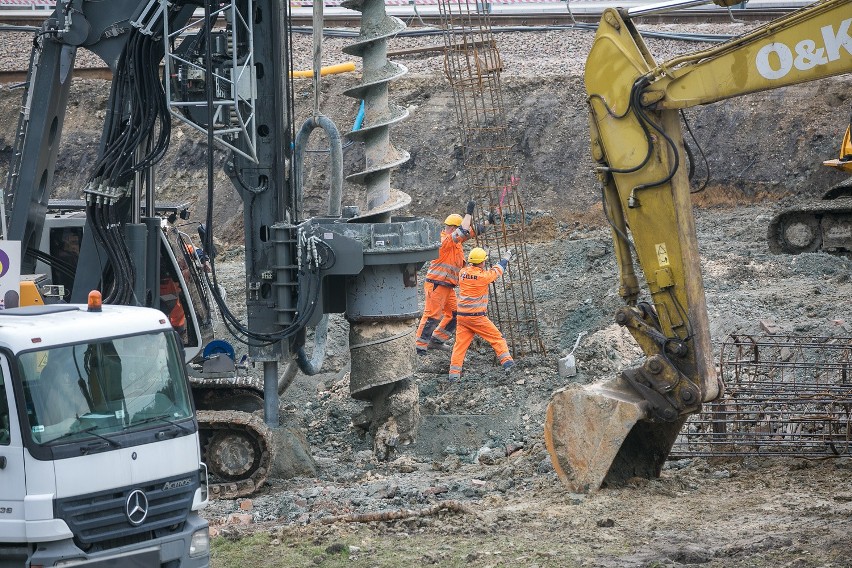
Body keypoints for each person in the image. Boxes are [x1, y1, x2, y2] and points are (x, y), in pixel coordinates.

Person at [415, 200, 492, 355]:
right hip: (436, 284)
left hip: (447, 285)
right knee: (432, 315)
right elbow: (464, 231)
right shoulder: (445, 240)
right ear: (453, 228)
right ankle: (419, 346)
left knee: (456, 314)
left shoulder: (455, 240)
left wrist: (488, 221)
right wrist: (468, 212)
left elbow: (472, 231)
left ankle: (436, 340)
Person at [448, 247, 514, 382]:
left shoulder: (462, 272)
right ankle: (508, 364)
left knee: (460, 345)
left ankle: (453, 375)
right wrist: (506, 258)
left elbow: (472, 268)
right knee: (497, 338)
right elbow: (497, 271)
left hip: (462, 317)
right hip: (476, 317)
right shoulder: (482, 277)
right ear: (482, 262)